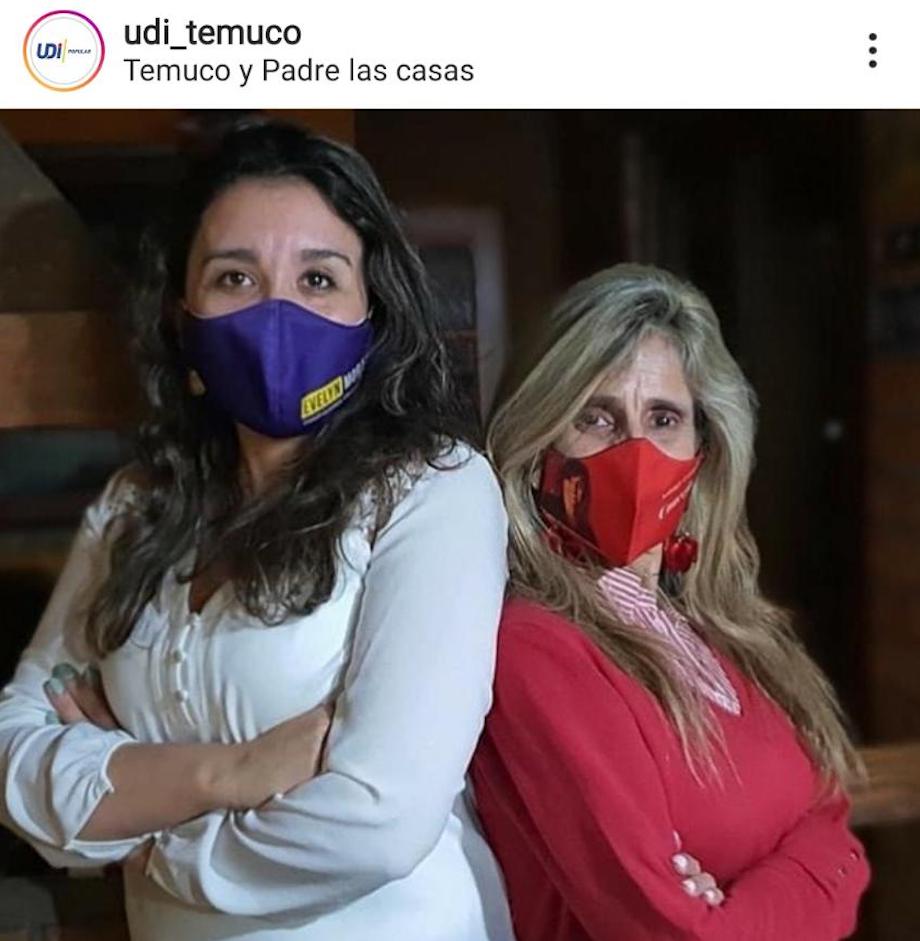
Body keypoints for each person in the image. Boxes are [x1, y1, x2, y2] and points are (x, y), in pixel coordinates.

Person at [0, 121, 514, 941]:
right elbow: (12, 751)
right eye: (235, 276)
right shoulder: (138, 504)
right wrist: (227, 772)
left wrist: (139, 831)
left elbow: (378, 821)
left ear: (373, 310)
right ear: (181, 315)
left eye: (318, 277)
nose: (278, 312)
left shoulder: (432, 489)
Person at [471, 264, 870, 941]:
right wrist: (800, 879)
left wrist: (744, 904)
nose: (635, 450)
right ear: (539, 449)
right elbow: (678, 933)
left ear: (701, 453)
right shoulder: (535, 647)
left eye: (664, 419)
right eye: (596, 417)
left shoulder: (724, 629)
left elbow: (836, 832)